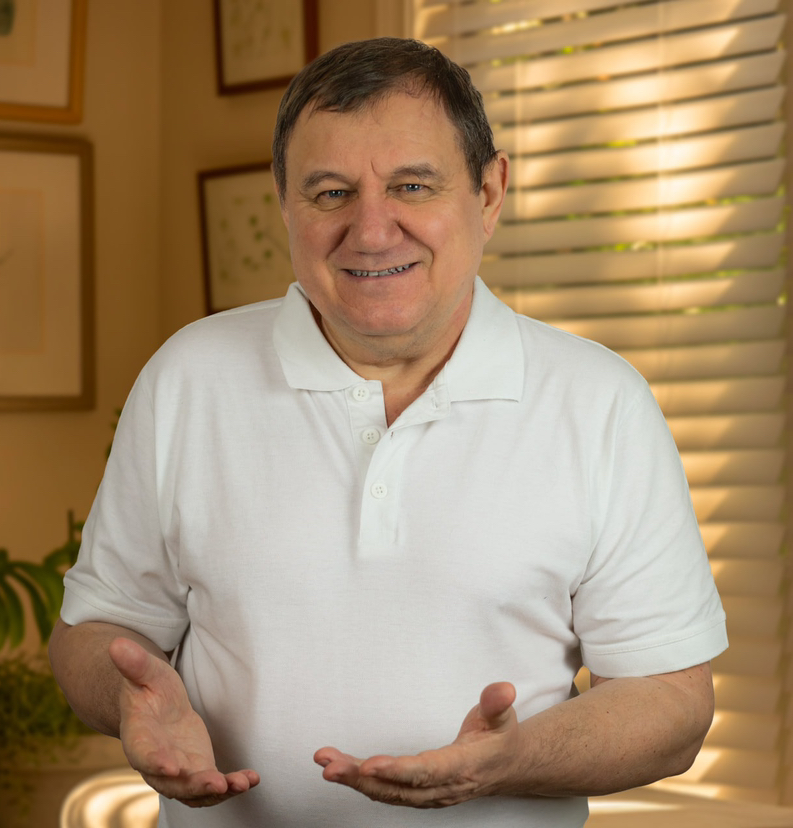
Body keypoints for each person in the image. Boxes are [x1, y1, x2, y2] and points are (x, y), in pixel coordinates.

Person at [49, 37, 727, 828]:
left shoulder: (602, 403)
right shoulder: (187, 378)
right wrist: (129, 700)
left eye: (412, 185)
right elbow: (95, 632)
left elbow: (672, 705)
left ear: (489, 193)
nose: (372, 231)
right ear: (285, 204)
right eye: (330, 193)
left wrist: (511, 762)